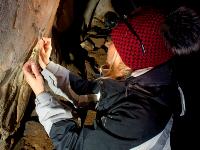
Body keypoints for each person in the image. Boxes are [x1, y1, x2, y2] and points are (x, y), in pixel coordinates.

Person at [23, 7, 189, 150]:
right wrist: (48, 66)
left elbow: (72, 145)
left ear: (126, 60)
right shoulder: (143, 78)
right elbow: (88, 94)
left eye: (113, 42)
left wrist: (41, 95)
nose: (107, 44)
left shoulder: (138, 120)